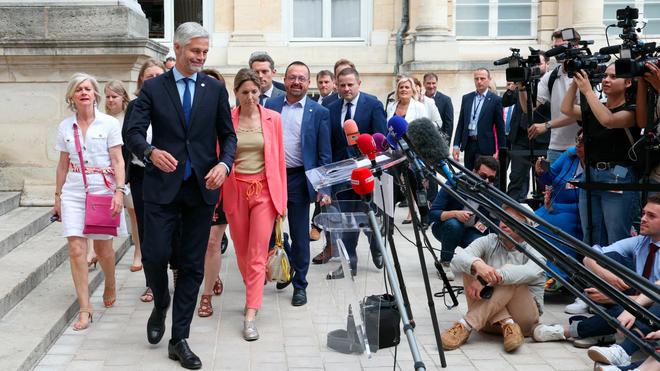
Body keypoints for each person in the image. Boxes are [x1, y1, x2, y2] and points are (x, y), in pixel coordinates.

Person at [125, 22, 237, 369]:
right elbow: (132, 131)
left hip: (201, 191)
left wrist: (224, 164)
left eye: (205, 52)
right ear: (178, 48)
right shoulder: (154, 88)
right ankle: (160, 303)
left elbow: (228, 136)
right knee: (155, 257)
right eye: (195, 52)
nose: (201, 58)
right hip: (161, 188)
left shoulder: (214, 89)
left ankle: (180, 339)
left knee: (191, 265)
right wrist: (150, 152)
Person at [532, 195, 660, 350]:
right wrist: (606, 276)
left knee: (626, 312)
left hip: (653, 309)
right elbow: (589, 256)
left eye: (651, 216)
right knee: (607, 259)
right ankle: (606, 328)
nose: (643, 219)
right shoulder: (642, 241)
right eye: (644, 213)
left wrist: (616, 298)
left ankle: (570, 331)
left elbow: (654, 299)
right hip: (636, 301)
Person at [53, 73, 127, 330]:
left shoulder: (109, 124)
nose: (84, 92)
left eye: (88, 88)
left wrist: (119, 191)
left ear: (95, 94)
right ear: (72, 96)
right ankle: (85, 308)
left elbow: (118, 160)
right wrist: (58, 197)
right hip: (74, 189)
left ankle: (110, 281)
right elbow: (62, 165)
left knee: (104, 250)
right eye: (79, 89)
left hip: (103, 190)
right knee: (76, 250)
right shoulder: (65, 127)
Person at [223, 68, 287, 340]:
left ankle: (251, 311)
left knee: (258, 251)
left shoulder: (273, 119)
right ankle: (254, 286)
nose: (251, 97)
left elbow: (280, 161)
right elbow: (220, 154)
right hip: (235, 189)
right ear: (236, 93)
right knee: (242, 251)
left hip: (264, 191)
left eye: (255, 92)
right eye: (245, 92)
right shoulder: (227, 120)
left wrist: (280, 201)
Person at [265, 61, 332, 305]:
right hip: (272, 178)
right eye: (292, 77)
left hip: (299, 180)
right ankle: (287, 264)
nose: (296, 82)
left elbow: (325, 154)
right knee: (268, 233)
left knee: (300, 234)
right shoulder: (270, 105)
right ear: (284, 80)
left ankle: (300, 285)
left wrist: (324, 187)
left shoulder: (319, 112)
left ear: (308, 82)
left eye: (302, 78)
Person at [441, 203, 546, 352]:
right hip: (488, 322)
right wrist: (479, 265)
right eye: (503, 219)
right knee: (471, 266)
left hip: (524, 321)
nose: (503, 224)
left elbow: (530, 272)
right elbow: (458, 258)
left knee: (510, 274)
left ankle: (465, 324)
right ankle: (507, 323)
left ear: (526, 225)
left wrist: (487, 278)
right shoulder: (490, 240)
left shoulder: (536, 246)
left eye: (511, 220)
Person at [560, 64, 639, 246]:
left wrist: (588, 91)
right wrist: (576, 82)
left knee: (616, 237)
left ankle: (618, 275)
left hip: (618, 177)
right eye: (605, 76)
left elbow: (608, 120)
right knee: (591, 234)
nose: (606, 80)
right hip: (591, 172)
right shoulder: (597, 106)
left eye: (613, 77)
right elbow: (566, 108)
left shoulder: (631, 110)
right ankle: (592, 273)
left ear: (628, 82)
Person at [324, 67, 387, 278]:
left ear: (359, 83)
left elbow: (380, 142)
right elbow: (330, 144)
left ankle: (377, 246)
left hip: (366, 175)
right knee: (347, 220)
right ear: (337, 86)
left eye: (350, 84)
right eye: (342, 85)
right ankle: (349, 262)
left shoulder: (374, 105)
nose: (346, 89)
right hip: (342, 176)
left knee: (368, 217)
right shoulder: (330, 107)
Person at [122, 59, 166, 303]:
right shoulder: (136, 106)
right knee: (148, 232)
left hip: (170, 175)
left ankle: (178, 273)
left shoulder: (174, 102)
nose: (154, 79)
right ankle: (152, 284)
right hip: (143, 175)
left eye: (158, 75)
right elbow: (128, 138)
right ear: (141, 81)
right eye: (149, 76)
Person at [429, 156, 499, 280]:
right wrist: (455, 214)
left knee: (484, 241)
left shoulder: (492, 192)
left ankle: (473, 265)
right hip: (446, 227)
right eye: (483, 176)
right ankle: (444, 263)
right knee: (454, 225)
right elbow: (433, 213)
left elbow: (495, 224)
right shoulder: (455, 182)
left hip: (472, 231)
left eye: (491, 179)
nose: (487, 182)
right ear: (473, 172)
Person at [533, 131, 583, 298]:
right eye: (577, 140)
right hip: (553, 206)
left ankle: (557, 275)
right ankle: (535, 269)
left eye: (583, 142)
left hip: (575, 210)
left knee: (558, 225)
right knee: (531, 222)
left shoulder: (596, 166)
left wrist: (556, 207)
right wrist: (540, 171)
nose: (578, 145)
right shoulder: (569, 156)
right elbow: (550, 177)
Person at [197, 68, 230, 317]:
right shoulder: (189, 115)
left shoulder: (230, 118)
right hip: (191, 186)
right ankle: (213, 274)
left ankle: (205, 295)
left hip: (222, 186)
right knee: (196, 242)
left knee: (211, 242)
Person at [526, 29, 582, 164]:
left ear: (575, 47)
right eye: (555, 47)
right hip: (555, 147)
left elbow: (582, 112)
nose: (557, 51)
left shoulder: (584, 74)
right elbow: (529, 107)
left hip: (580, 146)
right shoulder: (551, 75)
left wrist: (547, 125)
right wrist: (522, 86)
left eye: (561, 47)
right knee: (555, 184)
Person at [452, 68, 506, 171]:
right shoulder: (467, 98)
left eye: (482, 78)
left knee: (483, 176)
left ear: (489, 79)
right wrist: (456, 145)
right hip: (469, 144)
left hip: (486, 146)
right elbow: (461, 123)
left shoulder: (496, 100)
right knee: (470, 176)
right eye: (476, 79)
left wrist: (501, 151)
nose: (479, 81)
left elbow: (500, 128)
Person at [309, 69, 336, 242]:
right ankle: (316, 225)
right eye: (320, 82)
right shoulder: (313, 102)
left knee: (326, 193)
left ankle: (316, 226)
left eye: (327, 82)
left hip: (332, 155)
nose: (323, 85)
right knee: (320, 191)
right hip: (317, 155)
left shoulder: (336, 101)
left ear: (333, 83)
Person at [423, 72, 454, 141]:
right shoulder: (419, 100)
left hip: (439, 142)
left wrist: (446, 143)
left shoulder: (446, 100)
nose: (431, 86)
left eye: (433, 83)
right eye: (428, 83)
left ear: (437, 83)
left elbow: (449, 125)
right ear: (424, 84)